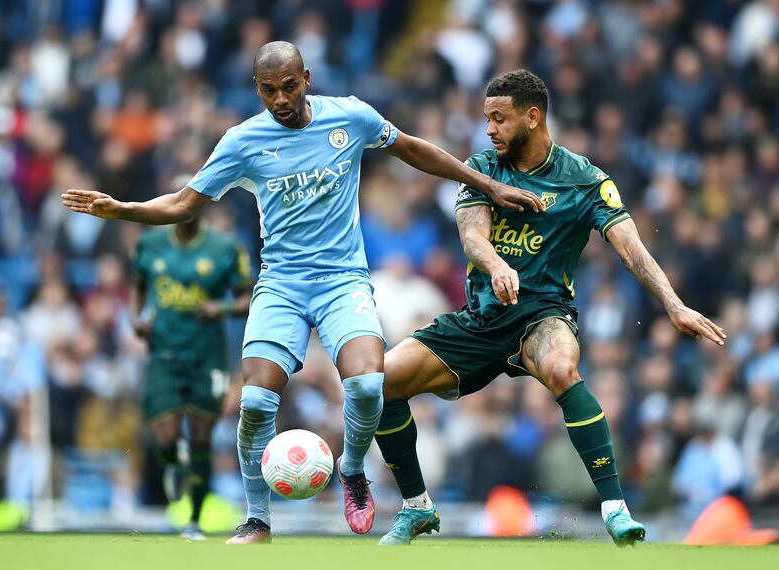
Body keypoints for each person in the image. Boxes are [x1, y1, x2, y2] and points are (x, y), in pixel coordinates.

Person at [61, 41, 542, 544]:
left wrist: (486, 185)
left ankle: (352, 470)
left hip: (341, 280)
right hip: (282, 284)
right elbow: (184, 204)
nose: (281, 99)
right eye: (269, 90)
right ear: (257, 90)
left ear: (307, 77)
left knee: (366, 385)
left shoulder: (350, 117)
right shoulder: (243, 141)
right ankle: (258, 520)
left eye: (289, 86)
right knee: (254, 402)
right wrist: (123, 209)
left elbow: (413, 149)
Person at [373, 70, 727, 546]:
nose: (489, 129)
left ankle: (615, 508)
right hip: (480, 320)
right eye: (486, 119)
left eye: (499, 119)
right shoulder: (481, 168)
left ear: (532, 117)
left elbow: (632, 249)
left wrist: (674, 305)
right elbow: (473, 235)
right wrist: (497, 264)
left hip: (541, 316)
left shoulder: (585, 180)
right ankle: (416, 508)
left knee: (563, 368)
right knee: (379, 383)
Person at [131, 199, 252, 541]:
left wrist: (222, 307)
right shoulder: (149, 243)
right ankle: (174, 461)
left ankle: (194, 521)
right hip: (164, 354)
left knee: (201, 437)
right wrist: (135, 318)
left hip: (207, 356)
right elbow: (138, 285)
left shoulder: (225, 247)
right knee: (165, 437)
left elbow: (248, 295)